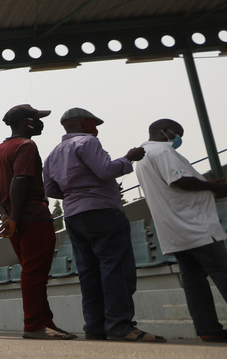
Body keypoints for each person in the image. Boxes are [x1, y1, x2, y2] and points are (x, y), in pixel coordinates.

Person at [44, 107, 162, 342]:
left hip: (74, 215)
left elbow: (50, 189)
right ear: (84, 122)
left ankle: (95, 327)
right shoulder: (87, 142)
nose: (96, 129)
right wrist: (128, 158)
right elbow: (105, 170)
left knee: (89, 273)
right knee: (116, 269)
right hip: (102, 211)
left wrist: (77, 191)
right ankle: (120, 326)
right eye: (94, 124)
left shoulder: (53, 154)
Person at [134, 118, 227, 343]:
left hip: (174, 230)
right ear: (164, 131)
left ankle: (208, 329)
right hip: (194, 227)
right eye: (177, 133)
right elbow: (180, 181)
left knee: (194, 280)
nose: (179, 139)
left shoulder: (143, 157)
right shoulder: (162, 151)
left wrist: (207, 185)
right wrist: (214, 187)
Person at [0, 104, 75, 340]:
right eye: (36, 118)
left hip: (15, 220)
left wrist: (5, 215)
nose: (41, 122)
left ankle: (46, 323)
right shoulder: (26, 145)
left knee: (33, 272)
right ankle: (34, 325)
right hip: (32, 217)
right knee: (35, 274)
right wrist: (14, 216)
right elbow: (20, 179)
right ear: (26, 122)